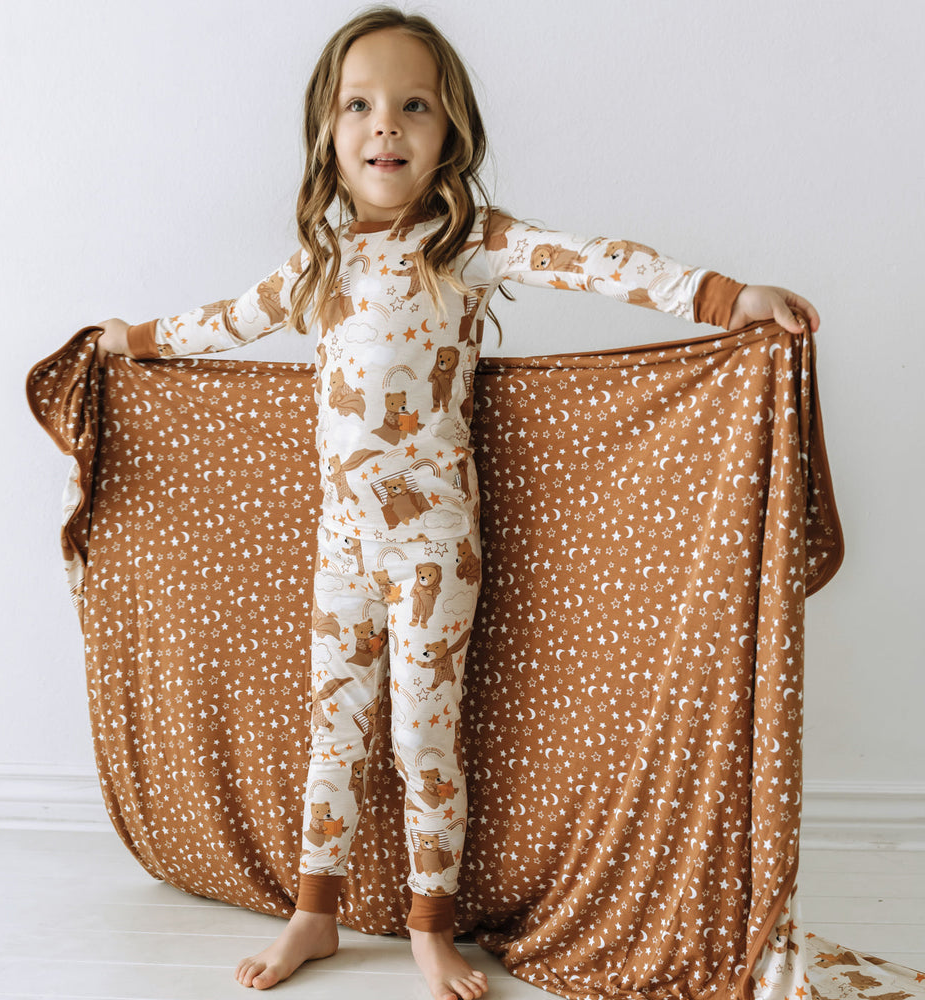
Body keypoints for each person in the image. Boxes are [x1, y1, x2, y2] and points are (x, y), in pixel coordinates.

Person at [93, 7, 819, 999]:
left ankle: (430, 928)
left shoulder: (463, 243)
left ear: (449, 136)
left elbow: (593, 259)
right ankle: (316, 913)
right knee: (331, 732)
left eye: (412, 105)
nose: (383, 124)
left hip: (435, 549)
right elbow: (227, 320)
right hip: (342, 548)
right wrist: (132, 339)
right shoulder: (322, 265)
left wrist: (722, 297)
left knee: (420, 738)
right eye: (359, 105)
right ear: (326, 132)